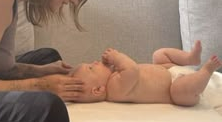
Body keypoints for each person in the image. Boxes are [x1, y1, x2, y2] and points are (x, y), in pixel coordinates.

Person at [69, 40, 222, 106]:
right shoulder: (114, 89)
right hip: (174, 88)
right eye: (91, 68)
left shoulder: (113, 77)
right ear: (98, 90)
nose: (94, 62)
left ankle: (190, 58)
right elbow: (132, 70)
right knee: (179, 91)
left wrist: (111, 65)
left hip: (168, 70)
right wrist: (116, 57)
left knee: (158, 55)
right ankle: (206, 71)